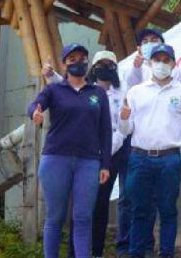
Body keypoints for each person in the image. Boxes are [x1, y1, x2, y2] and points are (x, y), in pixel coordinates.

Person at [43, 48, 130, 258]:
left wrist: (105, 160)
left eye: (110, 65)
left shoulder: (115, 92)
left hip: (103, 156)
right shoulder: (68, 89)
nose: (106, 68)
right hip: (71, 156)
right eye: (101, 65)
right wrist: (36, 110)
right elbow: (57, 91)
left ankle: (95, 253)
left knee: (92, 211)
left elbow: (112, 129)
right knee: (61, 215)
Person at [29, 43, 113, 258]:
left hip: (89, 162)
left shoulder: (98, 93)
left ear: (88, 62)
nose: (78, 62)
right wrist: (34, 114)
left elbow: (105, 131)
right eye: (72, 59)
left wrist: (105, 164)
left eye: (82, 58)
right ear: (64, 64)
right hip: (56, 159)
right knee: (55, 217)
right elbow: (35, 106)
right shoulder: (53, 90)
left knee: (83, 217)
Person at [119, 43, 181, 258]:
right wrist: (124, 119)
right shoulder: (136, 91)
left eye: (166, 60)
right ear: (150, 62)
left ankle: (166, 253)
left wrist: (172, 143)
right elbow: (125, 130)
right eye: (157, 60)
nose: (161, 64)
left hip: (169, 159)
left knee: (168, 211)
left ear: (173, 64)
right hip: (139, 158)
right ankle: (136, 253)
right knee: (139, 211)